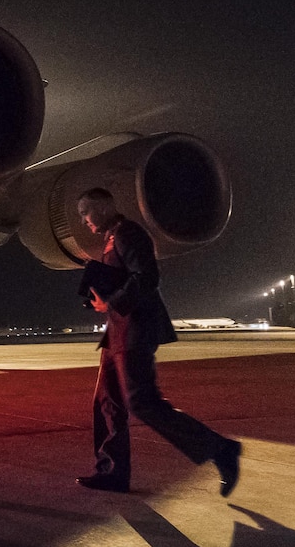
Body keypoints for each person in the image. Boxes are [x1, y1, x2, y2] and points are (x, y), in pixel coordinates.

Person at [75, 187, 241, 496]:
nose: (84, 220)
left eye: (85, 212)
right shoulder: (112, 236)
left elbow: (147, 276)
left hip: (135, 331)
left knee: (143, 403)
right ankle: (112, 472)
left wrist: (112, 303)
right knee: (107, 403)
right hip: (118, 333)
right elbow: (127, 279)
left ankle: (221, 449)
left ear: (101, 207)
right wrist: (103, 300)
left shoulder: (127, 233)